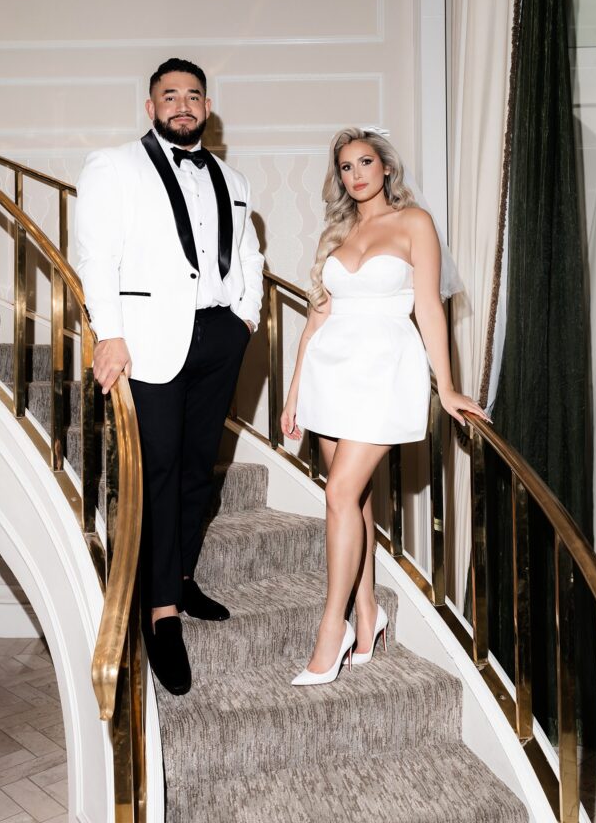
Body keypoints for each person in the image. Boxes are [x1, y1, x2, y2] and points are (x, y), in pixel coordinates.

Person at [75, 57, 264, 696]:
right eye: (169, 95)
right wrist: (109, 333)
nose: (182, 105)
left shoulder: (233, 178)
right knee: (154, 473)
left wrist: (246, 318)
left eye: (193, 95)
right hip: (149, 341)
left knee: (193, 470)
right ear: (151, 106)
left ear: (207, 106)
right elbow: (94, 254)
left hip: (218, 336)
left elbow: (247, 255)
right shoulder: (114, 166)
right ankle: (159, 614)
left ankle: (180, 578)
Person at [281, 126, 487, 686]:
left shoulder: (414, 222)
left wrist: (445, 386)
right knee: (357, 499)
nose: (357, 174)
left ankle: (334, 628)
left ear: (386, 167)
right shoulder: (337, 232)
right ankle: (369, 614)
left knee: (340, 493)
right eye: (346, 167)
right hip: (329, 372)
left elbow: (430, 309)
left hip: (384, 370)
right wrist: (295, 390)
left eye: (365, 162)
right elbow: (316, 318)